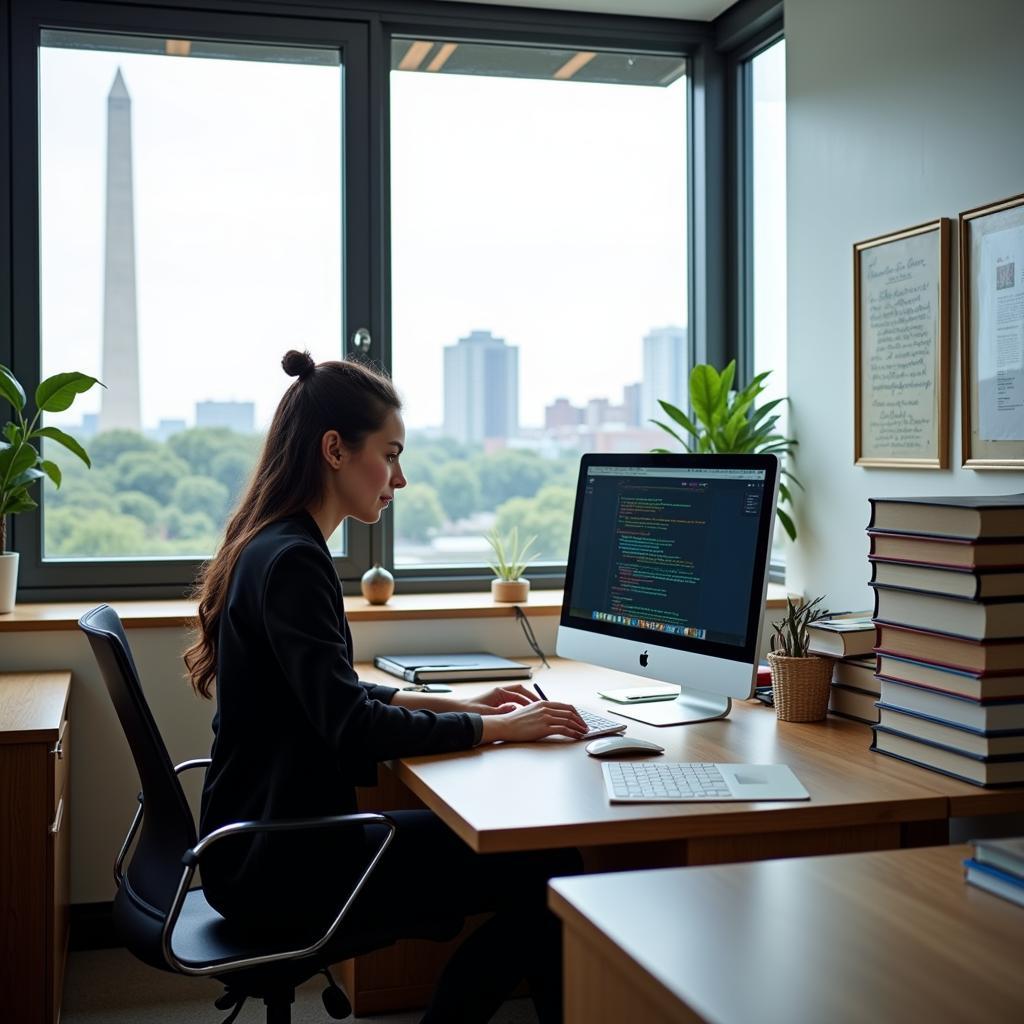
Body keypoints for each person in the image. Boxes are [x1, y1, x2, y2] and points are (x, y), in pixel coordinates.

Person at [184, 349, 587, 1023]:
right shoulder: (293, 561)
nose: (398, 478)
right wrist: (497, 728)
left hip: (259, 842)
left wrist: (460, 705)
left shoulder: (275, 545)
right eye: (391, 454)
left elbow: (333, 699)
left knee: (534, 859)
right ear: (335, 449)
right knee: (547, 868)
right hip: (285, 859)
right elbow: (352, 726)